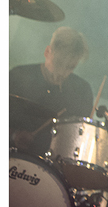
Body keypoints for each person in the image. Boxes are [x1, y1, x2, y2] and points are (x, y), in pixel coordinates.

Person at [9, 26, 94, 155]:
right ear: (47, 52)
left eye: (70, 67)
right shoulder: (17, 76)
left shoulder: (82, 92)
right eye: (58, 64)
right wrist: (13, 135)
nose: (62, 72)